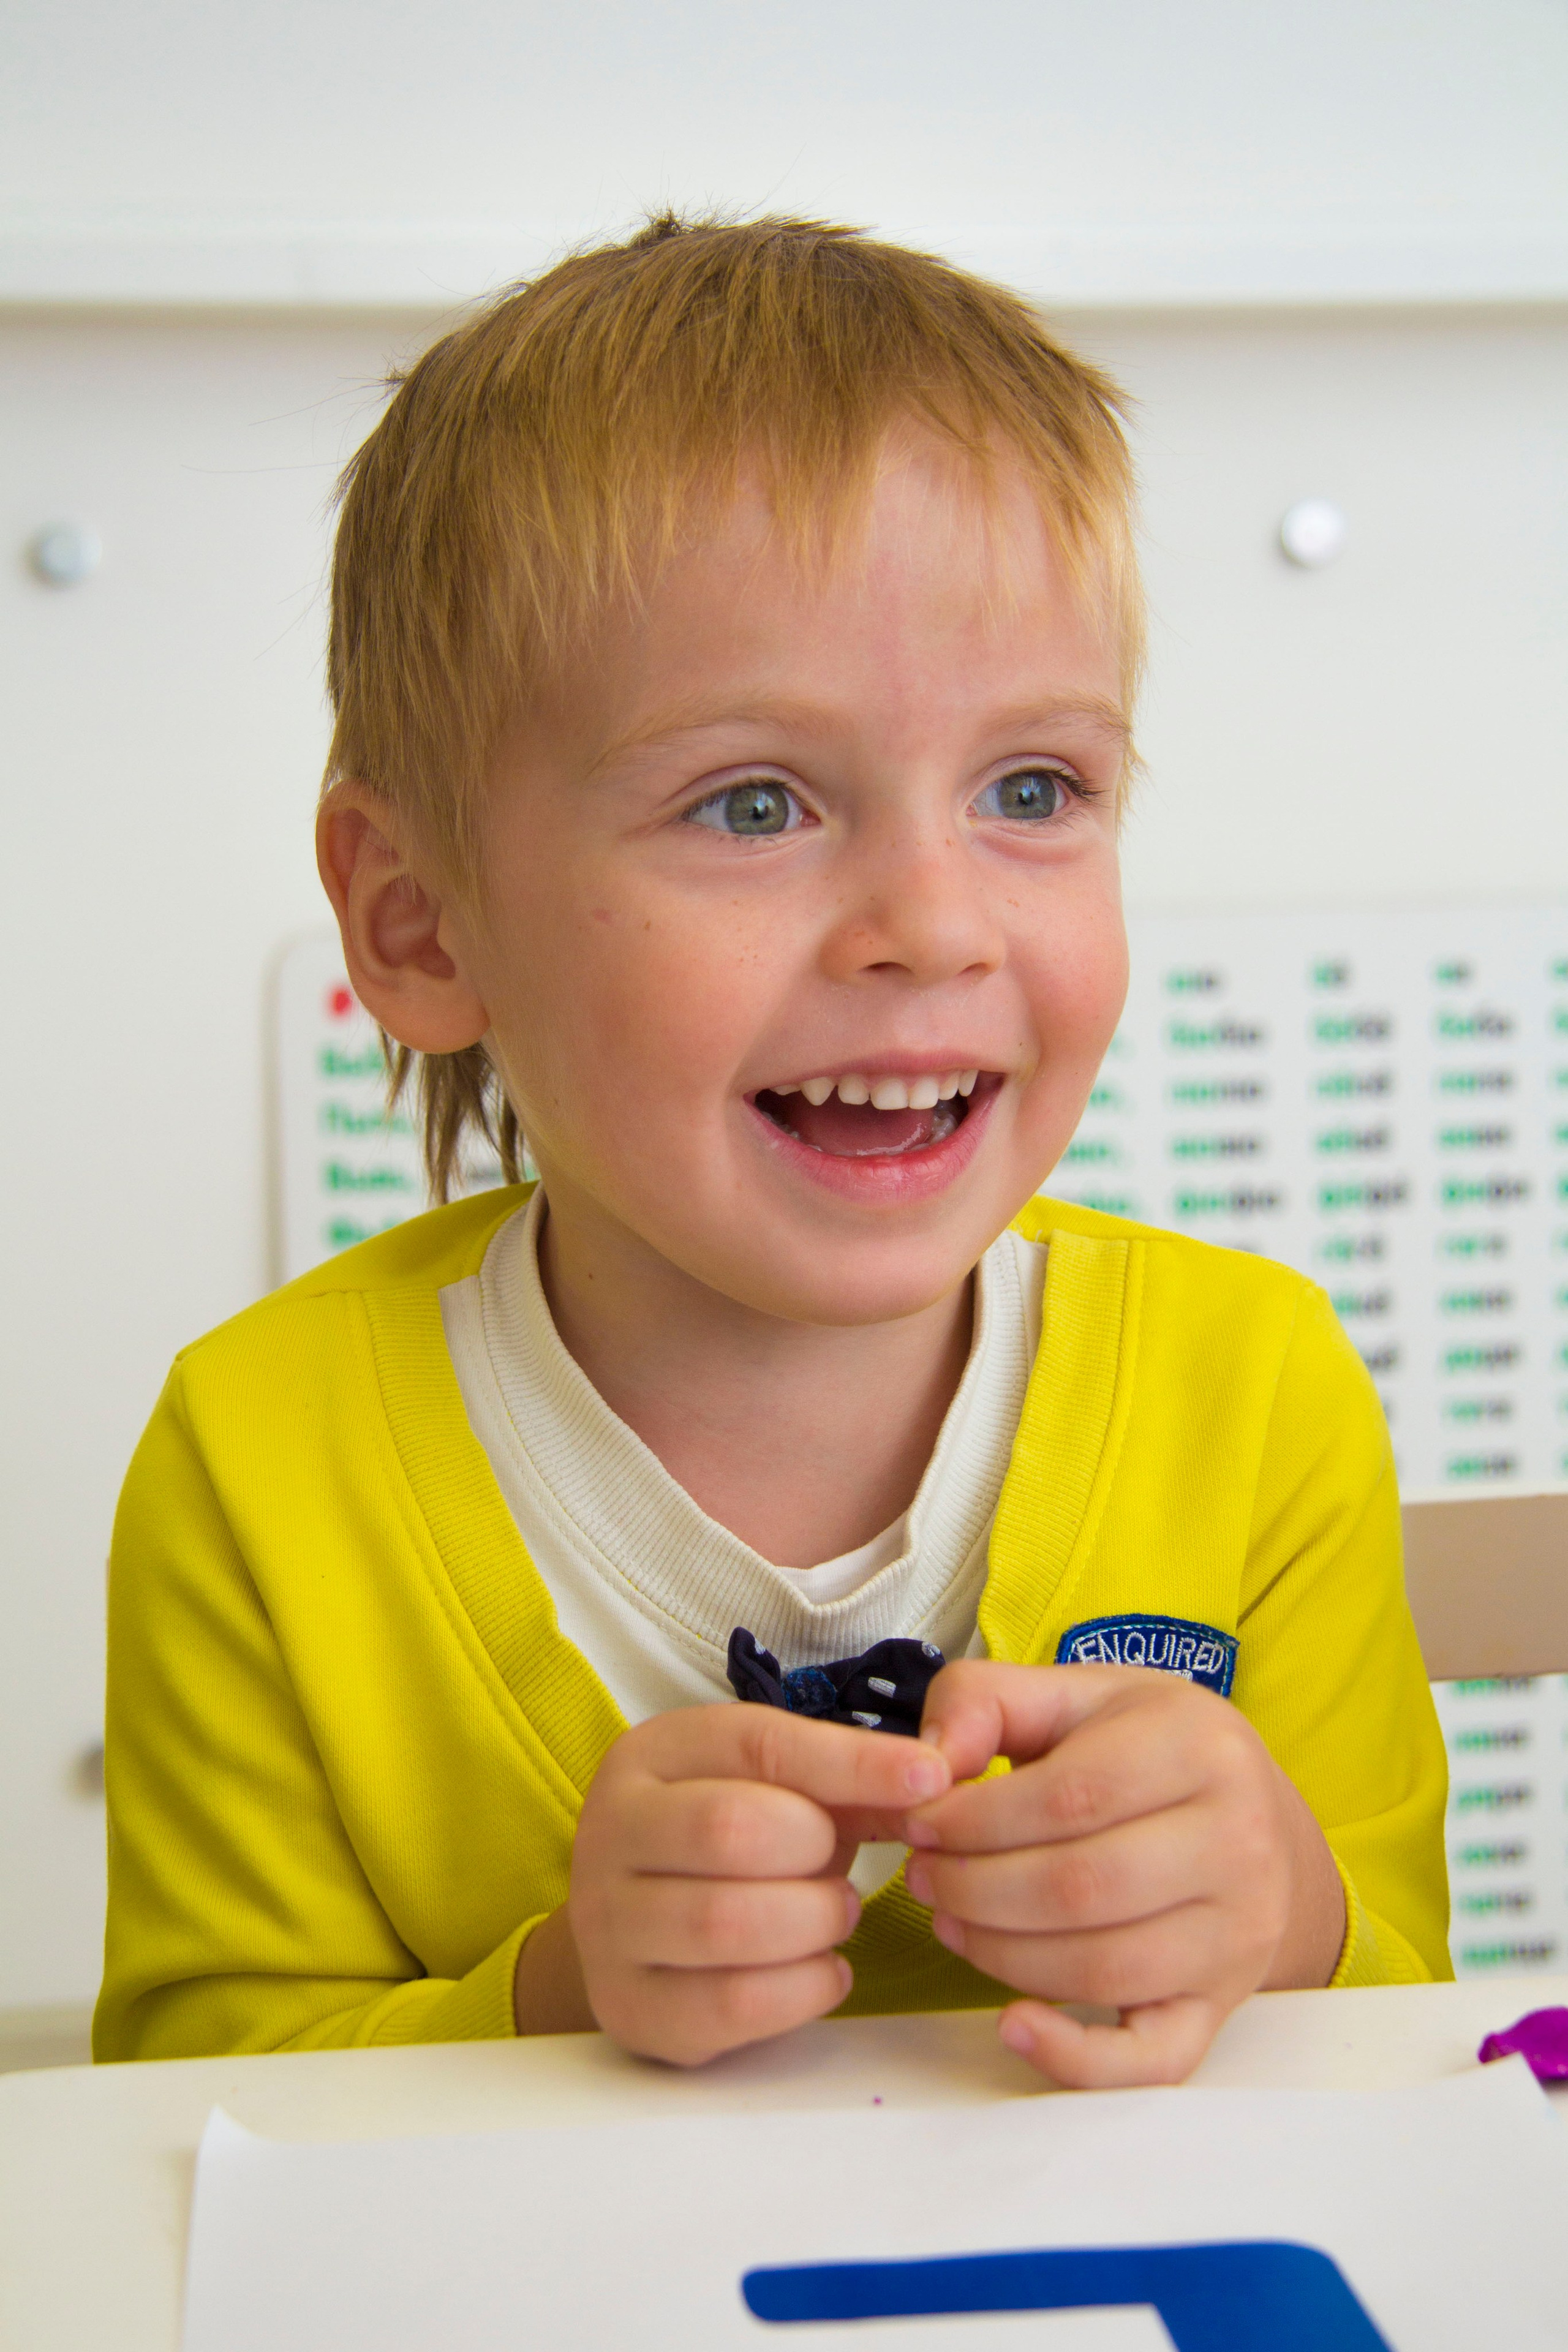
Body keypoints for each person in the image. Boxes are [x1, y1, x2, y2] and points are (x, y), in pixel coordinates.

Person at [95, 215, 1450, 2085]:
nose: (934, 921)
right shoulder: (255, 1468)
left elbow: (1415, 2070)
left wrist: (1280, 1910)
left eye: (1032, 790)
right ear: (421, 927)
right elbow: (189, 2118)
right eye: (754, 802)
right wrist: (561, 1991)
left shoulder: (1260, 1390)